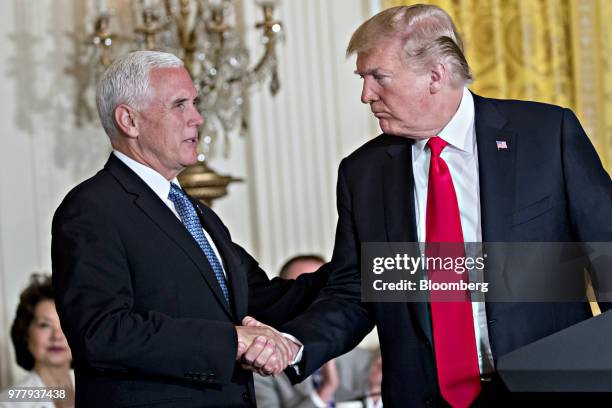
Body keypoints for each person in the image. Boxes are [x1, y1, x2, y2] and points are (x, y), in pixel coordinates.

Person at [245, 4, 612, 407]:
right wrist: (294, 345)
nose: (366, 94)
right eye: (363, 78)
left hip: (550, 391)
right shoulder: (364, 173)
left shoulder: (546, 135)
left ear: (435, 75)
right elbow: (356, 291)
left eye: (377, 77)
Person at [51, 50, 325, 407]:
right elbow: (102, 333)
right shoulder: (91, 208)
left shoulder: (195, 212)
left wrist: (367, 267)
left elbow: (265, 300)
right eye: (179, 104)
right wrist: (232, 341)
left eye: (195, 103)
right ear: (128, 120)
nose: (197, 118)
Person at [255, 255, 382, 408]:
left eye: (324, 293)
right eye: (303, 293)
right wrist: (325, 391)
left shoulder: (364, 361)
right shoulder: (260, 365)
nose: (315, 304)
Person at [0, 274, 74, 408]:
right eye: (44, 325)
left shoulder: (102, 391)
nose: (57, 336)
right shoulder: (8, 403)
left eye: (64, 325)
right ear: (25, 334)